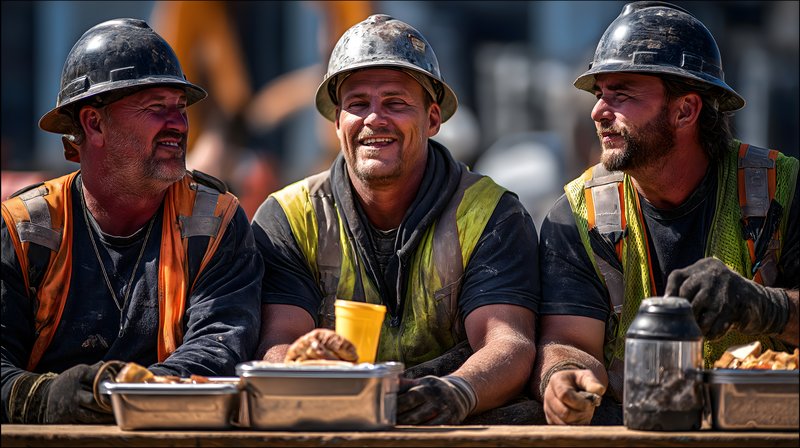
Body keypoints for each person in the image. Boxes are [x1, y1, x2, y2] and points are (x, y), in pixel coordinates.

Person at [251, 14, 539, 425]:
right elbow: (278, 342)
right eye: (356, 104)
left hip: (459, 430)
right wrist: (308, 373)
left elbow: (508, 342)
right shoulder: (289, 217)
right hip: (332, 428)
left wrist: (458, 391)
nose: (374, 119)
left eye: (395, 103)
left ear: (433, 119)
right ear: (337, 122)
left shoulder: (491, 213)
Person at [533, 1, 798, 425]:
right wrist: (564, 377)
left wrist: (766, 306)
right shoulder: (577, 216)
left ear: (685, 110)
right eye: (600, 93)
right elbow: (568, 340)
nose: (598, 112)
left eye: (621, 94)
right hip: (631, 432)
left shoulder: (781, 190)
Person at [1, 18, 263, 424]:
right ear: (94, 123)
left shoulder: (213, 221)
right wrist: (51, 397)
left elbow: (219, 349)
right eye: (156, 108)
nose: (178, 123)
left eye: (180, 107)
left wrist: (118, 397)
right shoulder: (25, 228)